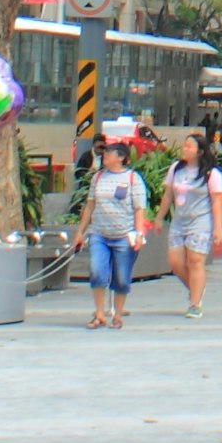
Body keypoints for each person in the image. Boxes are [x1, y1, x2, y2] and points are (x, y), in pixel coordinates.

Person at [81, 136, 150, 327]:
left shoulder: (132, 179)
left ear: (121, 157)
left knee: (121, 276)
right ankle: (99, 312)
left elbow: (139, 209)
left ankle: (117, 314)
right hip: (99, 233)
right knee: (97, 271)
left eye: (109, 153)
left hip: (123, 234)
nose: (105, 155)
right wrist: (80, 232)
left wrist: (138, 234)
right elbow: (89, 206)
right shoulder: (98, 177)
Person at [161, 131, 222, 317]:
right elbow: (168, 195)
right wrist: (159, 217)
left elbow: (216, 202)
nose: (185, 149)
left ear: (200, 151)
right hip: (179, 221)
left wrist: (218, 228)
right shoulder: (176, 169)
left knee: (195, 261)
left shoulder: (211, 174)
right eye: (184, 145)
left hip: (201, 221)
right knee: (175, 262)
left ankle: (195, 304)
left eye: (189, 146)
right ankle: (196, 288)